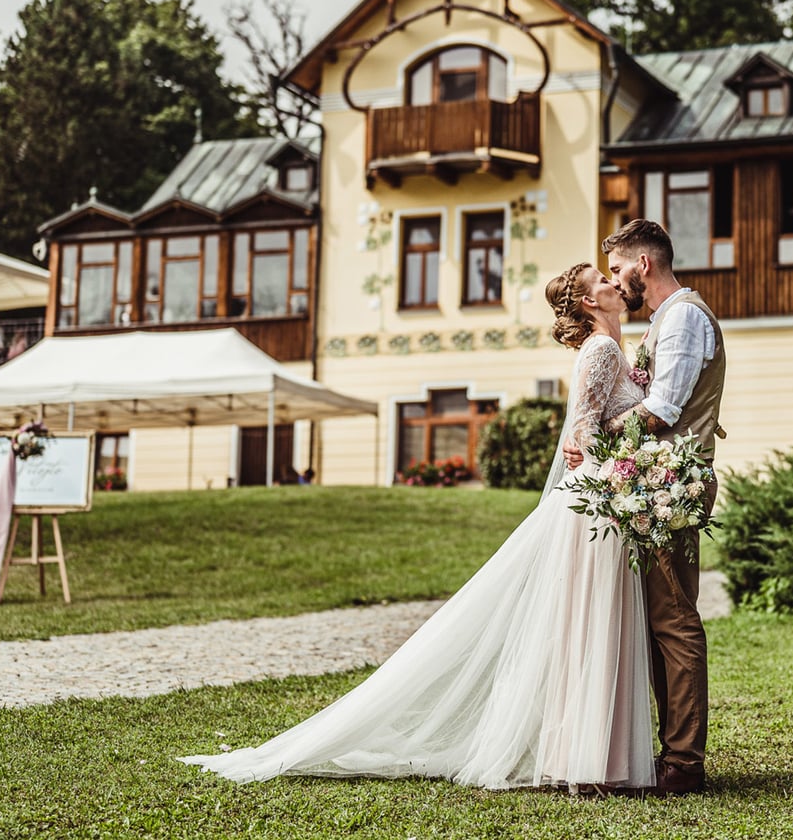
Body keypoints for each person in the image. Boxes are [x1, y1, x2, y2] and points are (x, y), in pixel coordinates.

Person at [180, 263, 655, 793]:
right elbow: (585, 429)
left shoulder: (617, 350)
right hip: (595, 500)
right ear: (591, 303)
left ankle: (588, 757)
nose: (616, 284)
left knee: (591, 625)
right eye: (603, 281)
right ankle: (591, 761)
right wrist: (625, 451)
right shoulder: (603, 350)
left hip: (603, 495)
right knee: (592, 623)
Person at [564, 218, 726, 796]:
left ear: (644, 266)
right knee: (662, 619)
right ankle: (669, 752)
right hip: (654, 482)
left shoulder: (682, 316)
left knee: (674, 619)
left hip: (670, 483)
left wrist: (597, 434)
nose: (615, 280)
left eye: (618, 269)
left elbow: (660, 411)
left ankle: (682, 762)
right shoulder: (667, 320)